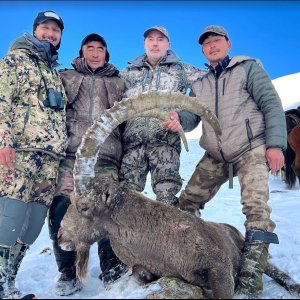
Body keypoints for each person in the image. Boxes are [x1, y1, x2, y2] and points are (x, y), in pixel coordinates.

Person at [178, 25, 287, 298]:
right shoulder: (200, 83)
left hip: (250, 148)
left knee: (255, 208)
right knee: (187, 203)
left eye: (217, 41)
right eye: (206, 44)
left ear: (228, 43)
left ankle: (250, 278)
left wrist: (275, 145)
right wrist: (177, 120)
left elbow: (271, 105)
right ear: (202, 50)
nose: (212, 46)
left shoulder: (247, 69)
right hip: (216, 155)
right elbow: (191, 119)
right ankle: (192, 255)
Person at [48, 33, 128, 296]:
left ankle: (111, 267)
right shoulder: (66, 77)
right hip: (71, 157)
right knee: (62, 204)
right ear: (82, 52)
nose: (95, 52)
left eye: (100, 48)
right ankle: (67, 272)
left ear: (106, 53)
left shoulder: (119, 82)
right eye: (89, 48)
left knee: (107, 208)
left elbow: (128, 120)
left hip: (106, 158)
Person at [0, 10, 67, 299]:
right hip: (20, 153)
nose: (50, 33)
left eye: (56, 30)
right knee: (10, 218)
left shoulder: (54, 71)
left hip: (50, 159)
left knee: (33, 224)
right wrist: (4, 141)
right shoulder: (15, 59)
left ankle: (9, 283)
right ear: (35, 30)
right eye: (45, 28)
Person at [120, 25, 206, 205]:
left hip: (166, 144)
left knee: (167, 201)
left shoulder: (183, 71)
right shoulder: (127, 73)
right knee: (126, 201)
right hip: (132, 147)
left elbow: (211, 85)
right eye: (150, 39)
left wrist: (183, 119)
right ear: (144, 43)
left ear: (168, 44)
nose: (155, 44)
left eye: (160, 39)